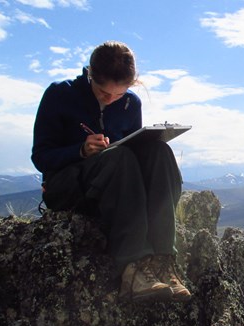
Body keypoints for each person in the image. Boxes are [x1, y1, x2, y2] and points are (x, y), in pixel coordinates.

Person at [31, 41, 190, 303]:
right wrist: (80, 150)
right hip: (67, 186)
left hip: (115, 187)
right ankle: (132, 268)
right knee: (120, 157)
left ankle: (163, 260)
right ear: (90, 75)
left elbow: (137, 154)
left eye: (121, 93)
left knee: (159, 152)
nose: (112, 99)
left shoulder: (130, 104)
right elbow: (41, 157)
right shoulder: (60, 95)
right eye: (105, 93)